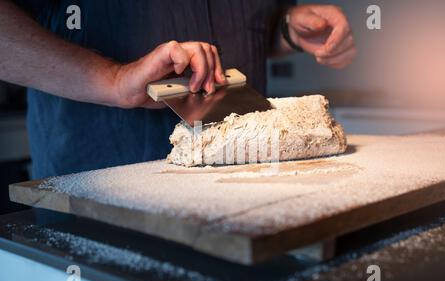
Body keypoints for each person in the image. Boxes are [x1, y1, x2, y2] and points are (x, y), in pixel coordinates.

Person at [0, 0, 356, 178]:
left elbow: (257, 19)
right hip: (103, 187)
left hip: (247, 185)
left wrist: (288, 28)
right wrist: (113, 79)